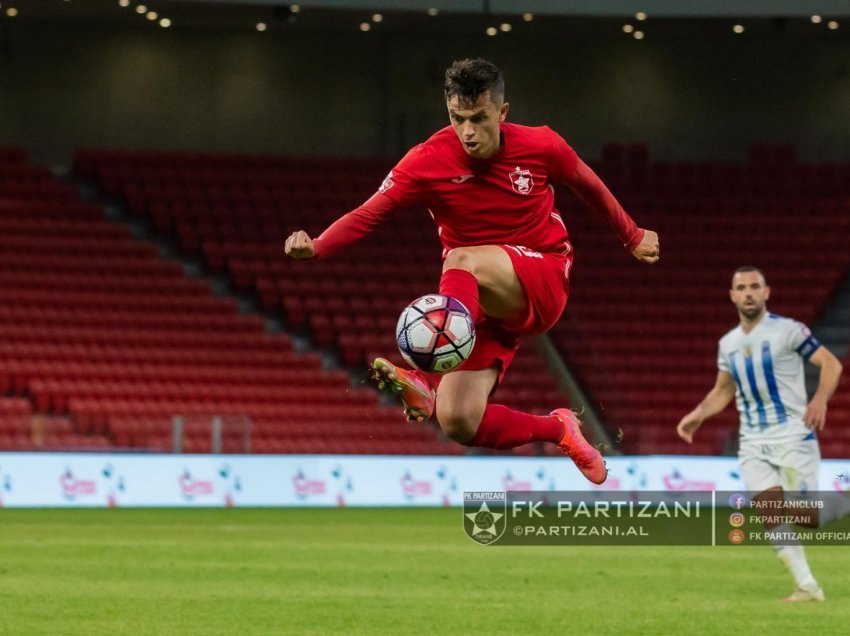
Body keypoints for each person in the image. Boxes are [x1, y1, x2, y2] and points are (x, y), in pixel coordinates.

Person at [285, 58, 660, 484]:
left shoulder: (541, 145)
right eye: (457, 118)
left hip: (543, 275)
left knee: (461, 257)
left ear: (502, 113)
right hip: (481, 303)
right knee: (459, 420)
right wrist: (316, 247)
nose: (467, 131)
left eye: (479, 118)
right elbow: (369, 213)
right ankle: (560, 429)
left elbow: (587, 183)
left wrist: (631, 235)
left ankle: (424, 375)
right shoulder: (426, 160)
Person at [677, 266, 846, 602]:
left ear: (767, 292)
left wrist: (820, 399)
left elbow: (831, 364)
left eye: (755, 286)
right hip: (753, 442)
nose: (749, 292)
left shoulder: (788, 331)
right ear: (733, 295)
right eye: (742, 287)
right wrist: (696, 416)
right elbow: (723, 390)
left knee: (806, 518)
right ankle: (807, 585)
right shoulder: (728, 344)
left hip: (793, 436)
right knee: (770, 513)